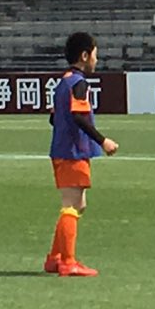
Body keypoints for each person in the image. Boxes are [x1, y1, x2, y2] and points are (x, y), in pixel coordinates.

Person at [45, 32, 119, 278]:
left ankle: (55, 257)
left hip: (64, 150)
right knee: (71, 204)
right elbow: (78, 116)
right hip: (72, 151)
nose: (97, 60)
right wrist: (103, 140)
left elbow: (55, 118)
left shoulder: (63, 82)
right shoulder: (79, 83)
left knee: (79, 204)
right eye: (95, 55)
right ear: (85, 55)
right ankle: (68, 262)